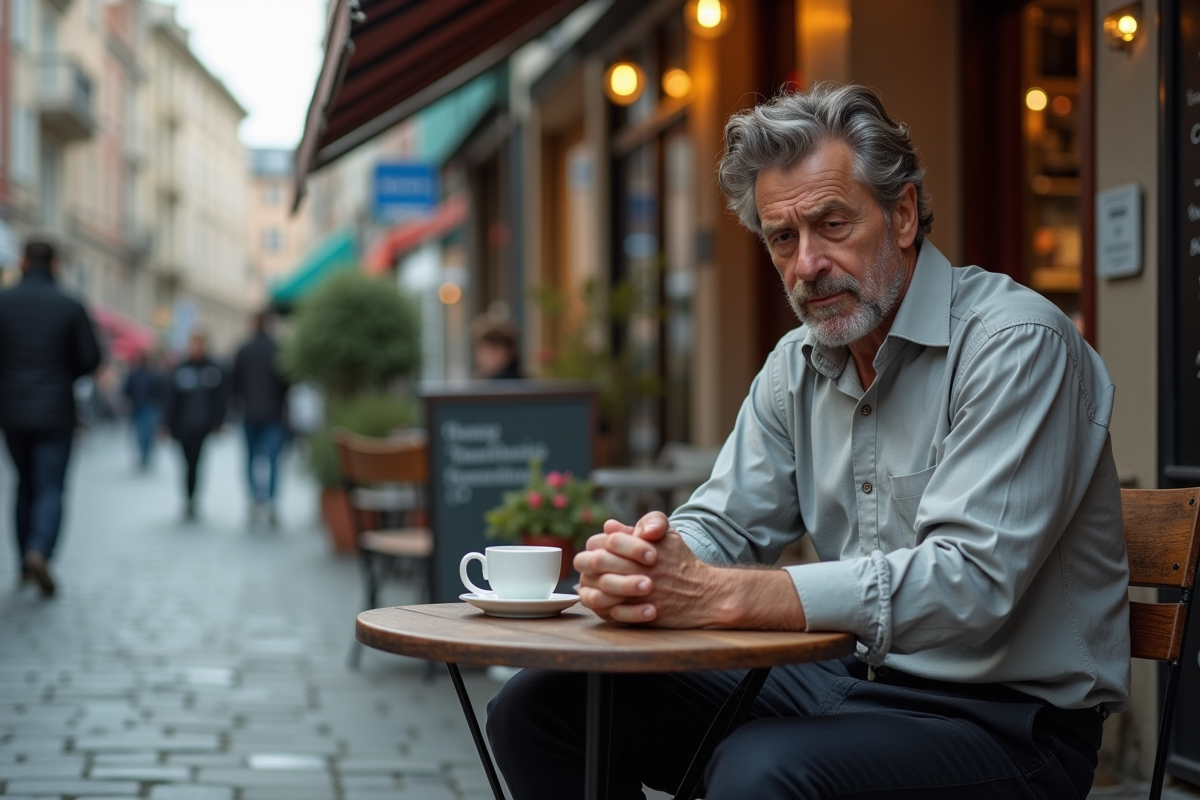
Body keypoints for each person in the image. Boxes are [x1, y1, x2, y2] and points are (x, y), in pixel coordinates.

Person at [486, 84, 1130, 799]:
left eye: (832, 225)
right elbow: (724, 521)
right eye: (782, 238)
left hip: (1007, 721)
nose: (806, 265)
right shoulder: (797, 364)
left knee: (761, 771)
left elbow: (968, 583)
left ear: (905, 214)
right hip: (850, 681)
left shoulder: (1016, 345)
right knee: (540, 707)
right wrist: (649, 564)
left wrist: (723, 597)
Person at [0, 237, 102, 597]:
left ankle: (23, 562)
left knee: (23, 484)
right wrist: (63, 372)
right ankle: (39, 550)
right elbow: (91, 359)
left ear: (23, 262)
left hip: (11, 411)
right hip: (56, 410)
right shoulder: (70, 305)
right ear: (55, 265)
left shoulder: (4, 302)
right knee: (50, 486)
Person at [230, 311, 289, 526]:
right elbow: (287, 382)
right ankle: (271, 502)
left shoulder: (243, 349)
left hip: (249, 413)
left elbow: (234, 383)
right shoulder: (278, 349)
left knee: (250, 459)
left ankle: (255, 500)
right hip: (273, 414)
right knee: (273, 460)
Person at [162, 331, 227, 521]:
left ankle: (192, 499)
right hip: (182, 426)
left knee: (196, 463)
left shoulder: (213, 369)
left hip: (202, 426)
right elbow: (170, 399)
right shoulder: (180, 369)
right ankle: (187, 496)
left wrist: (219, 422)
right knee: (185, 463)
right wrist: (166, 425)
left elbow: (220, 399)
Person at [122, 352, 165, 469]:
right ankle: (143, 454)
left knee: (148, 432)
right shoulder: (134, 374)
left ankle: (146, 453)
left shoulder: (154, 375)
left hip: (150, 406)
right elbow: (127, 390)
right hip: (137, 407)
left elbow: (160, 392)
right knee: (141, 432)